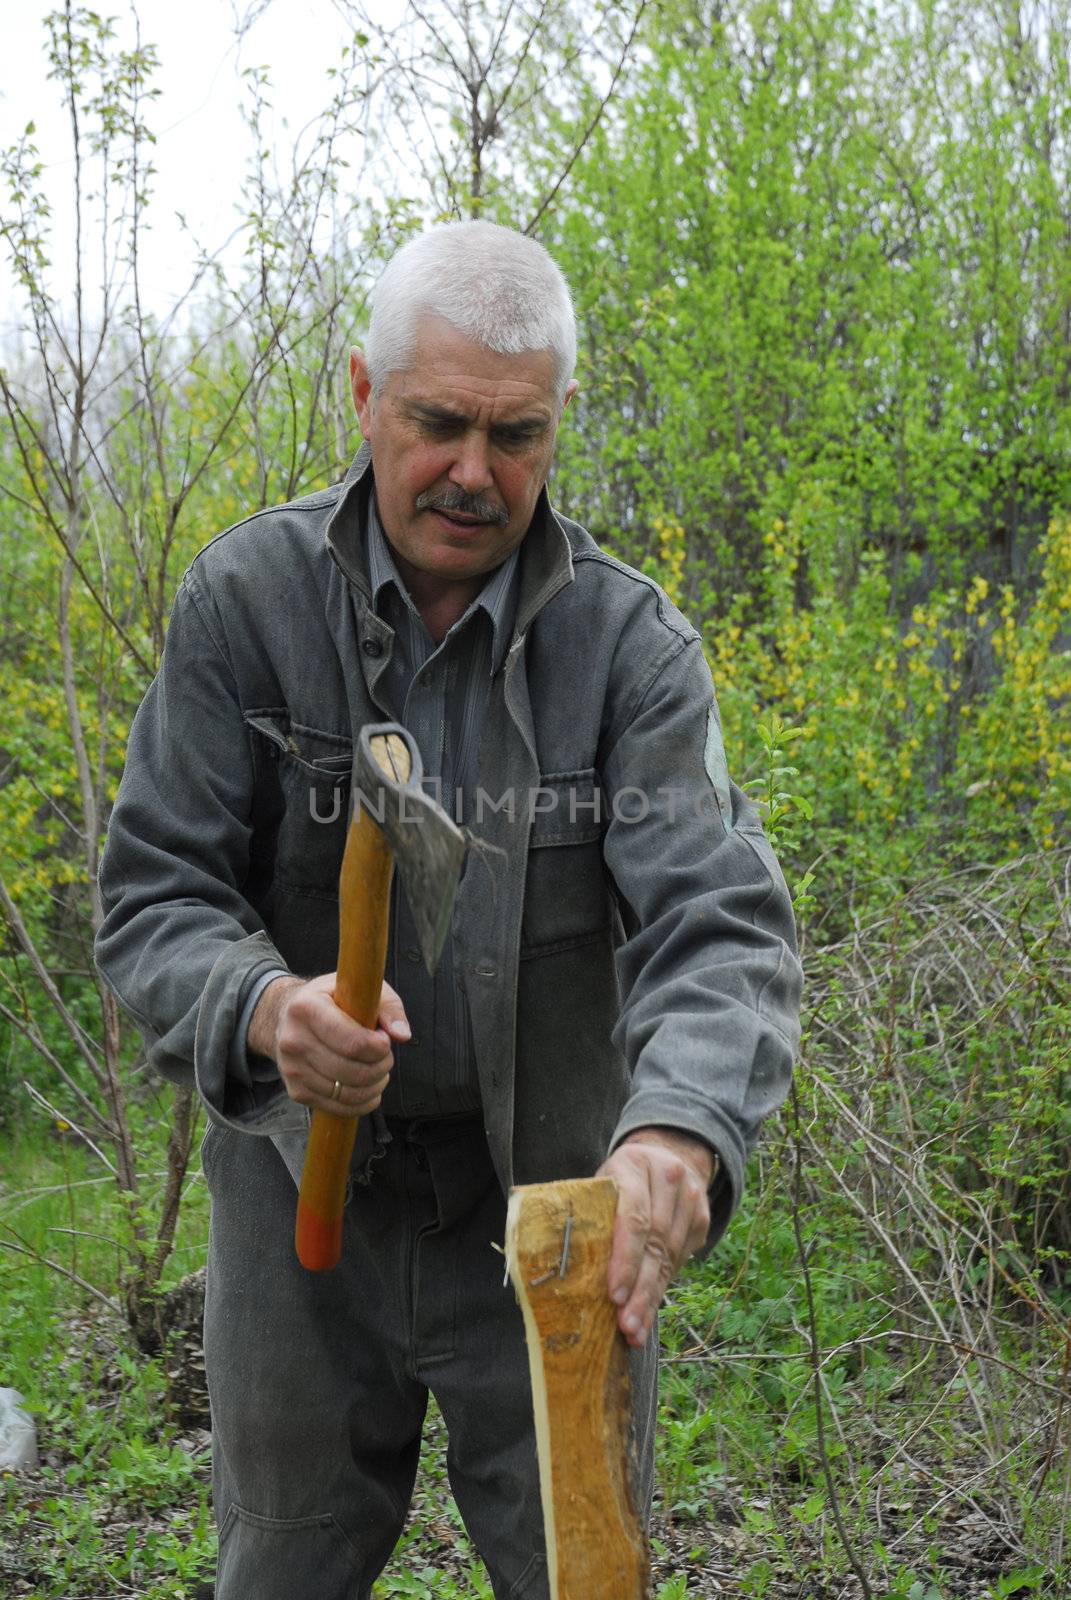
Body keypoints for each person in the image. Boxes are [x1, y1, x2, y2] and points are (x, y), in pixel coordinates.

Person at [95, 220, 802, 1600]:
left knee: (582, 1572)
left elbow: (717, 926)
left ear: (560, 426)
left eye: (516, 436)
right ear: (360, 394)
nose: (474, 472)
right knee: (281, 1573)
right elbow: (152, 894)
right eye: (435, 424)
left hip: (549, 1218)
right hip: (304, 1221)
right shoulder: (242, 605)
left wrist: (678, 1132)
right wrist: (262, 1010)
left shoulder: (630, 649)